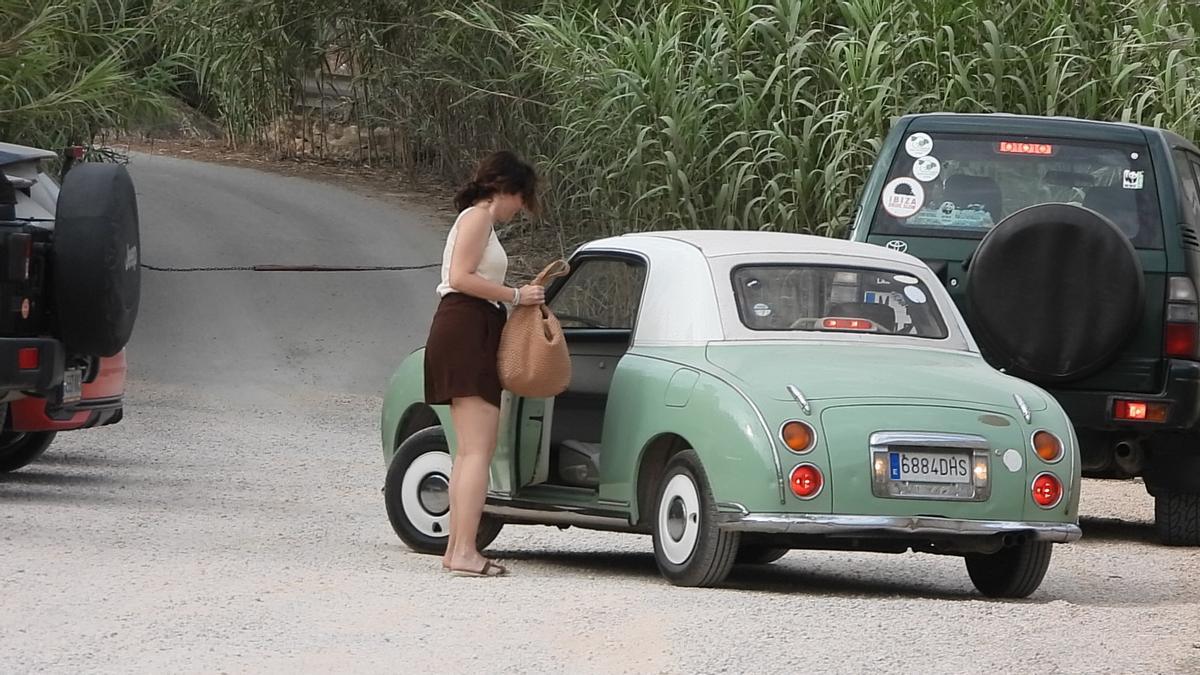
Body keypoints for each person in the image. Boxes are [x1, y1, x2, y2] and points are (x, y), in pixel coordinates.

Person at [424, 150, 544, 577]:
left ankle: (458, 547)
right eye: (521, 198)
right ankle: (463, 551)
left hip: (470, 325)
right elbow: (459, 277)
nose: (520, 208)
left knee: (468, 452)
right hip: (468, 324)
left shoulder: (479, 220)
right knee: (478, 451)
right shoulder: (478, 218)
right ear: (505, 190)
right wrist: (515, 295)